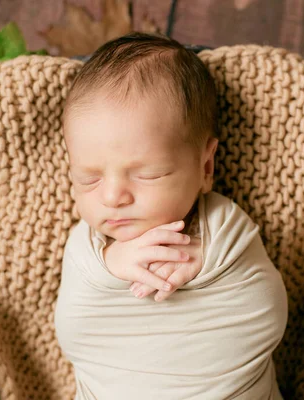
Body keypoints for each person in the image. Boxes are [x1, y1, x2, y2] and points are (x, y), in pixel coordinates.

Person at [54, 32, 288, 399]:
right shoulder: (88, 248)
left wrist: (207, 266)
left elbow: (268, 314)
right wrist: (110, 266)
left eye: (148, 174)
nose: (113, 195)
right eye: (89, 178)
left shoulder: (223, 229)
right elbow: (73, 331)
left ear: (205, 166)